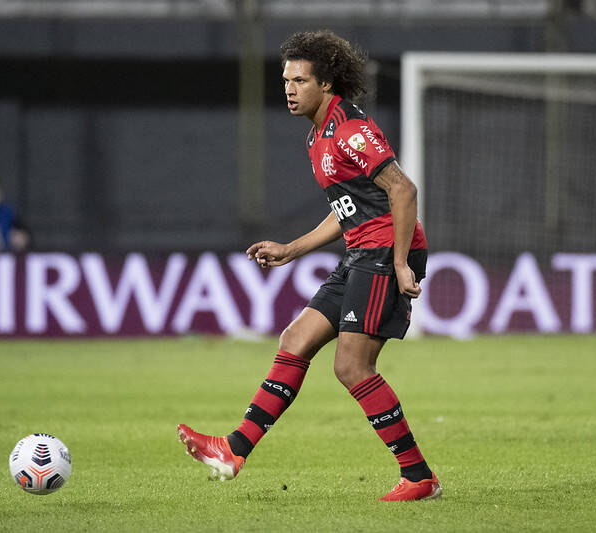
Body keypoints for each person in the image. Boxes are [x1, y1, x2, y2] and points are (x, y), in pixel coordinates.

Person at [177, 30, 441, 501]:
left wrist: (401, 263)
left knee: (352, 367)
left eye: (300, 80)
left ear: (326, 84)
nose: (289, 88)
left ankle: (418, 477)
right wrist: (292, 249)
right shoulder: (318, 135)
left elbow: (404, 190)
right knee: (294, 341)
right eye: (285, 80)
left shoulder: (351, 131)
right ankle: (234, 450)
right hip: (363, 249)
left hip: (385, 253)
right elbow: (348, 209)